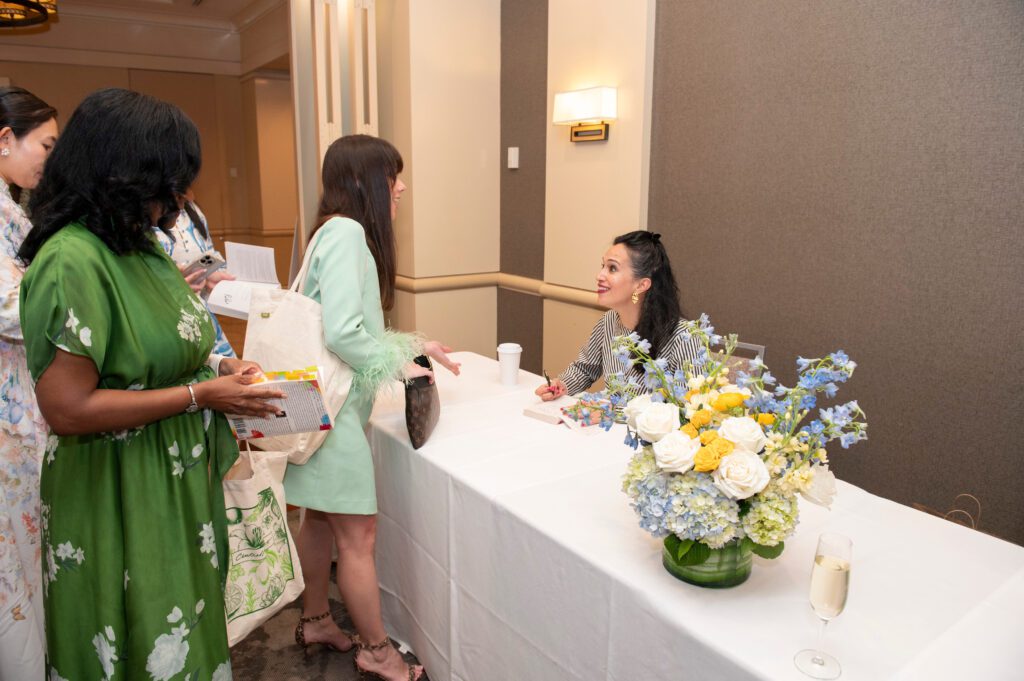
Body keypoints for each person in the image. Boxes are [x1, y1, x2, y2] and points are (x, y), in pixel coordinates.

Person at [17, 87, 284, 681]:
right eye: (170, 183)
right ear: (123, 176)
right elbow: (67, 408)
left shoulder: (144, 248)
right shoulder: (73, 259)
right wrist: (200, 396)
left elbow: (177, 342)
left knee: (185, 633)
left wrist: (221, 368)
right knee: (141, 642)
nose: (181, 198)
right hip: (120, 489)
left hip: (174, 483)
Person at [285, 134, 459, 681]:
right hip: (332, 413)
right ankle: (380, 652)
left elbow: (355, 328)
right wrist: (403, 367)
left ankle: (316, 619)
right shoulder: (349, 233)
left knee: (316, 516)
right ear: (364, 181)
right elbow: (344, 334)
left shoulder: (325, 232)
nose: (401, 187)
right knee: (357, 538)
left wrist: (413, 346)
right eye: (393, 176)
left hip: (310, 403)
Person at [0, 84, 57, 681]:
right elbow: (11, 306)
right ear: (4, 139)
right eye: (45, 143)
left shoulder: (13, 208)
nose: (50, 157)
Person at [536, 230, 703, 400]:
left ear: (641, 285)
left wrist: (611, 412)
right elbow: (585, 369)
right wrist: (561, 385)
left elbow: (687, 408)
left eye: (612, 268)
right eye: (603, 266)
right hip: (608, 424)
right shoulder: (608, 322)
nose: (599, 276)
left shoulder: (685, 337)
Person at [152, 193, 237, 357]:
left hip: (202, 314)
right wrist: (176, 284)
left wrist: (212, 274)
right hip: (169, 321)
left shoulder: (193, 211)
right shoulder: (149, 216)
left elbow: (208, 251)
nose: (190, 195)